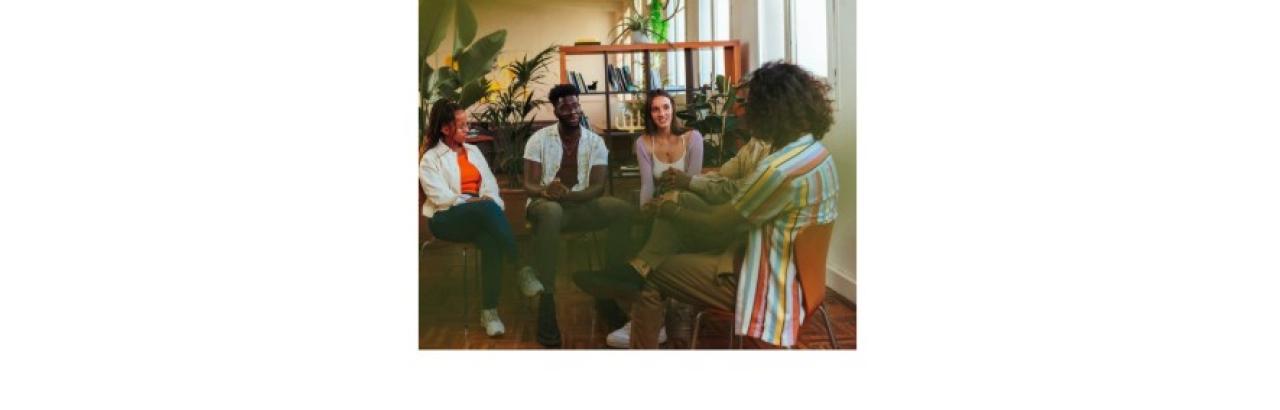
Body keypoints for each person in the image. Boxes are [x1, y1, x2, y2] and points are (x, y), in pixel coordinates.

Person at [582, 61, 840, 348]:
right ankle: (651, 296)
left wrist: (669, 209)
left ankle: (641, 300)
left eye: (747, 105)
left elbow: (717, 222)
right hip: (803, 276)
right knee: (678, 218)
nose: (738, 111)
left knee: (653, 275)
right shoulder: (817, 154)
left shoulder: (777, 170)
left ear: (770, 110)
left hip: (769, 283)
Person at [521, 84, 636, 347]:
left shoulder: (595, 142)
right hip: (545, 205)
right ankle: (546, 301)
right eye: (565, 106)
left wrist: (568, 196)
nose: (572, 111)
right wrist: (546, 192)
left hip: (580, 205)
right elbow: (529, 184)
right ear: (556, 109)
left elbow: (597, 187)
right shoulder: (538, 139)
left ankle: (607, 288)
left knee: (622, 210)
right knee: (550, 211)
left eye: (575, 105)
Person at [419, 100, 519, 337]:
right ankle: (520, 264)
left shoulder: (473, 152)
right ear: (445, 129)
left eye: (468, 123)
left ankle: (489, 312)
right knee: (485, 208)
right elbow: (440, 197)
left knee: (491, 241)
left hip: (480, 216)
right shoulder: (430, 159)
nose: (468, 129)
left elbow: (491, 186)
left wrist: (485, 203)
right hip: (445, 219)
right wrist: (475, 203)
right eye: (462, 125)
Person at [634, 89, 703, 206]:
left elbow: (693, 182)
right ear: (649, 114)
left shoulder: (694, 138)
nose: (661, 114)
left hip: (689, 203)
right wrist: (644, 211)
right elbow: (647, 185)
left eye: (666, 107)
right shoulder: (642, 143)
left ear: (673, 109)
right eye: (655, 109)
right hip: (660, 204)